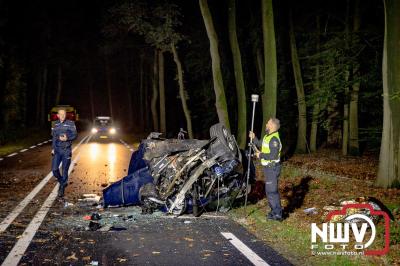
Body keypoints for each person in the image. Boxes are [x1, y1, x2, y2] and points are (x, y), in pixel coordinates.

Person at [249, 118, 283, 221]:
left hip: (272, 168)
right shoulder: (267, 136)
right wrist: (254, 138)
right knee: (269, 191)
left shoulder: (274, 139)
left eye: (268, 123)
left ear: (272, 125)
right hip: (268, 168)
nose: (266, 124)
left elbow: (273, 155)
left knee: (272, 191)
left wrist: (260, 155)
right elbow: (260, 144)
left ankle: (277, 214)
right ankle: (274, 212)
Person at [51, 109, 77, 197]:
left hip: (66, 150)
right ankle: (62, 182)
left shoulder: (71, 123)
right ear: (58, 115)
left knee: (64, 170)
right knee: (54, 170)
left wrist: (67, 138)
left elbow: (75, 135)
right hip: (57, 150)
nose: (62, 115)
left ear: (66, 115)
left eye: (64, 114)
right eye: (60, 114)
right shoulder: (55, 124)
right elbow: (54, 137)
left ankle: (61, 189)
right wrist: (53, 148)